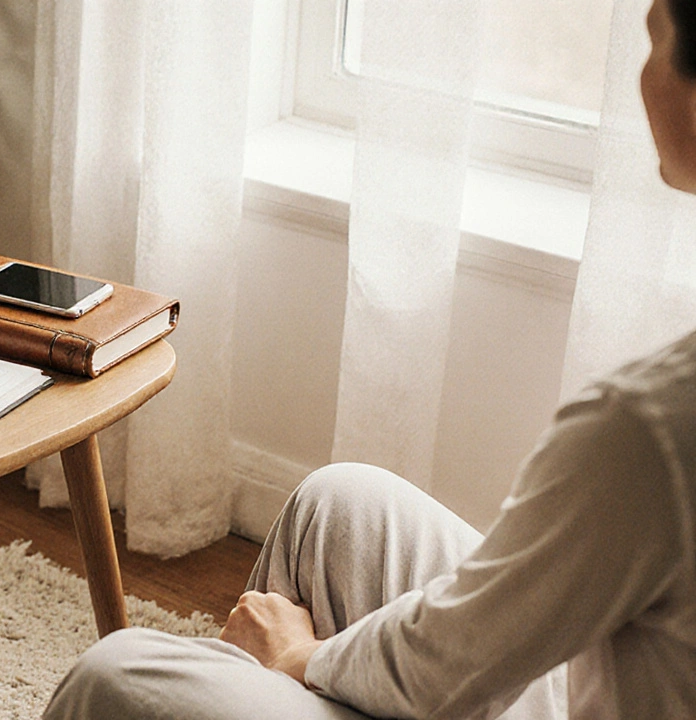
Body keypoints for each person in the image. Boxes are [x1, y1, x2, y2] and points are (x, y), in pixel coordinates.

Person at [42, 1, 696, 718]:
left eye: (654, 37)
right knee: (339, 506)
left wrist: (301, 659)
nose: (642, 69)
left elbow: (443, 669)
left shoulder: (651, 428)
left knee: (118, 675)